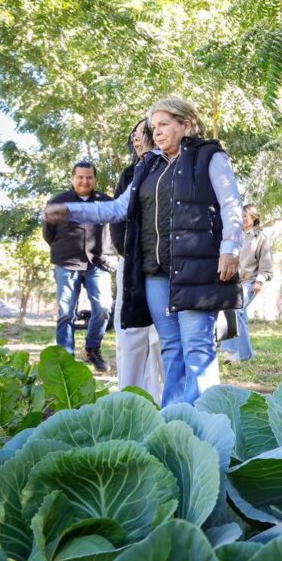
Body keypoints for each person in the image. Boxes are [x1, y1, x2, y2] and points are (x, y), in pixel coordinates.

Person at [45, 97, 243, 406]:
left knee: (197, 348)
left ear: (186, 124)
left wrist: (229, 249)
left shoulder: (209, 156)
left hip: (196, 268)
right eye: (154, 127)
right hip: (155, 273)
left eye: (164, 124)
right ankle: (175, 419)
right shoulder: (148, 166)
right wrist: (70, 211)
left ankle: (203, 420)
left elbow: (232, 205)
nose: (157, 132)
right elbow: (119, 208)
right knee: (171, 348)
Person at [108, 119, 164, 400]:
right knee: (130, 336)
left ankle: (163, 400)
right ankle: (129, 398)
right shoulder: (128, 174)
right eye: (135, 135)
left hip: (162, 268)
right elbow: (117, 224)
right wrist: (129, 253)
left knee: (161, 338)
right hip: (132, 266)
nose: (137, 139)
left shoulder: (171, 168)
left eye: (143, 133)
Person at [43, 161, 114, 372]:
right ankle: (65, 360)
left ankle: (92, 349)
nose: (85, 181)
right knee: (66, 312)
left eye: (89, 177)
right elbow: (48, 233)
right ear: (73, 178)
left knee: (103, 308)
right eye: (80, 177)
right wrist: (64, 248)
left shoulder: (106, 202)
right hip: (67, 262)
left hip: (99, 263)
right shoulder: (57, 202)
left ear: (94, 178)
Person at [220, 203, 273, 362]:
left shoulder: (261, 238)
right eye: (240, 216)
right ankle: (245, 354)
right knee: (240, 315)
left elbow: (266, 264)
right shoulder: (235, 236)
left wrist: (259, 281)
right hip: (233, 283)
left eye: (245, 216)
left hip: (250, 282)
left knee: (235, 309)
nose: (241, 219)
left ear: (254, 218)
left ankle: (233, 352)